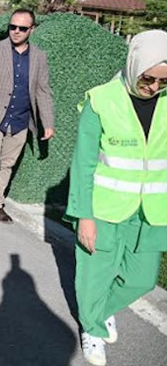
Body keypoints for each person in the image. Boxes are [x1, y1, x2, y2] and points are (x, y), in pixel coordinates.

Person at [66, 30, 167, 366]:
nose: (154, 87)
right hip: (105, 208)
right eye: (148, 78)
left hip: (152, 211)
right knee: (94, 276)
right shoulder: (101, 100)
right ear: (134, 64)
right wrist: (85, 215)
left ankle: (100, 311)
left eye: (163, 80)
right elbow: (83, 163)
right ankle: (91, 329)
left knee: (141, 278)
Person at [0, 9, 55, 225]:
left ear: (31, 30)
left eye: (22, 28)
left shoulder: (39, 57)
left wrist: (48, 122)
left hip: (20, 120)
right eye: (12, 26)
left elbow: (43, 90)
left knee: (7, 164)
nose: (16, 31)